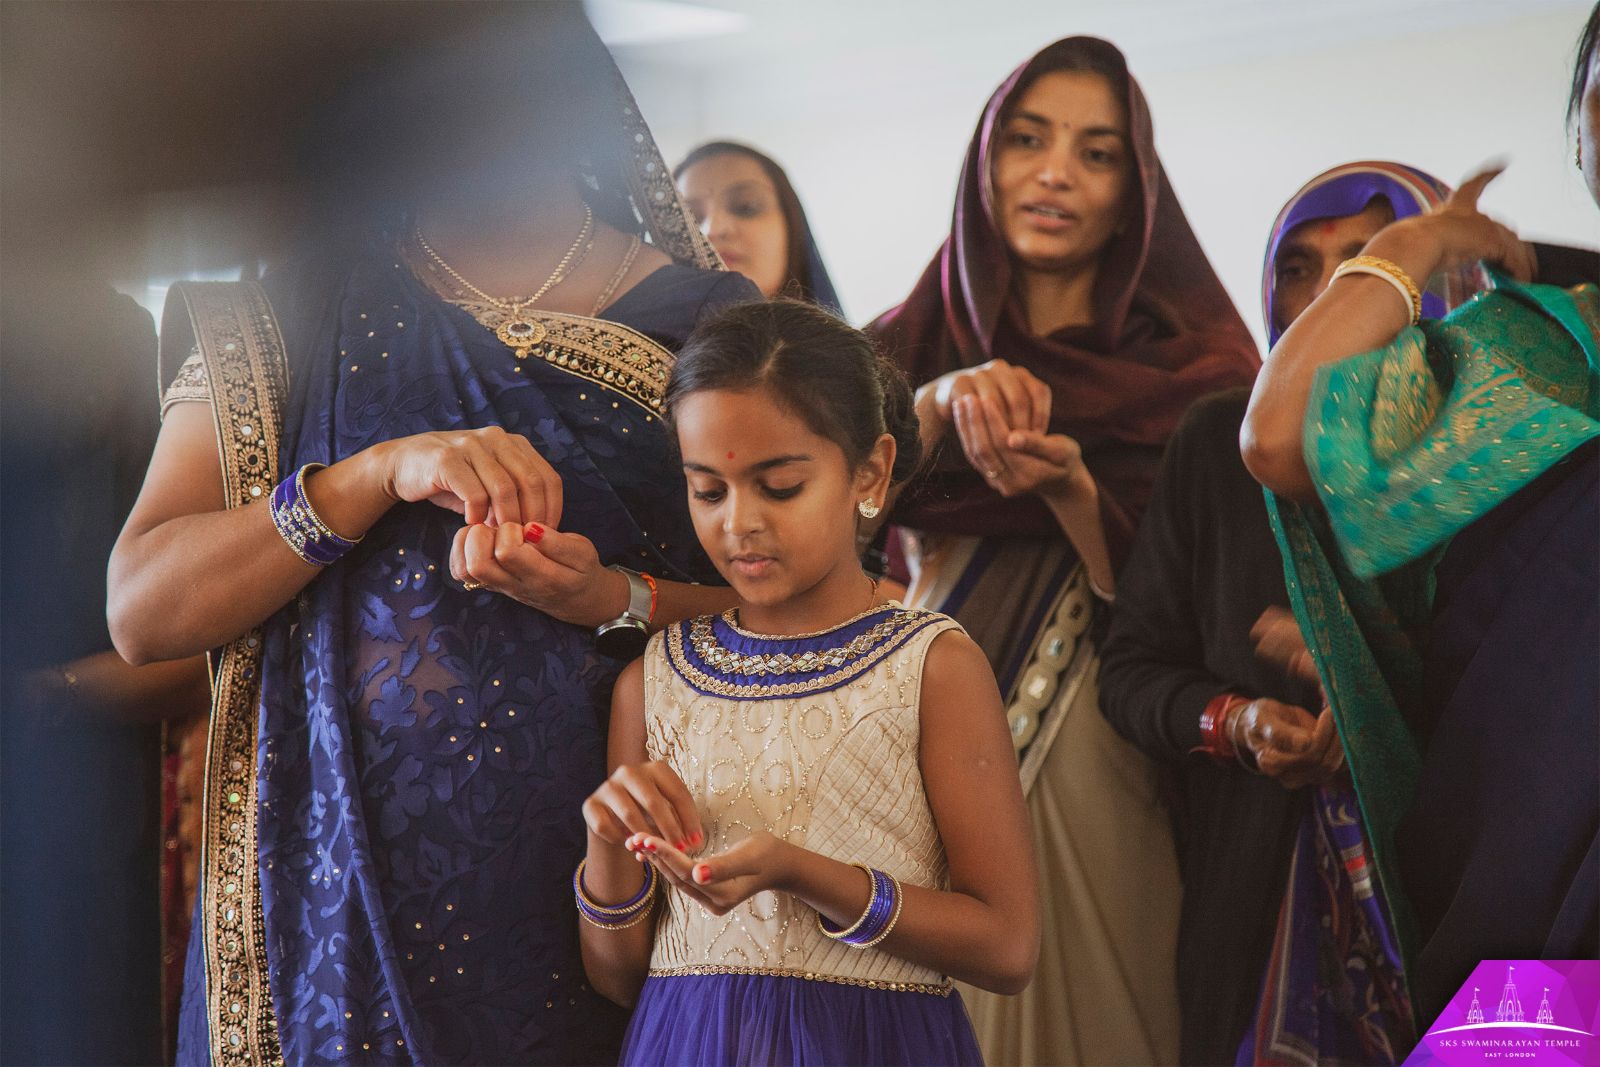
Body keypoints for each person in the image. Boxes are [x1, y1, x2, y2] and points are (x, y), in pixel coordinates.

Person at [107, 7, 756, 1063]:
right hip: (322, 919)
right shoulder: (297, 313)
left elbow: (797, 615)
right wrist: (370, 476)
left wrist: (614, 599)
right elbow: (141, 608)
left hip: (611, 891)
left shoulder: (705, 323)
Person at [868, 35, 1260, 1065]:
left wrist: (1076, 493)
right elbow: (803, 523)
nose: (1054, 174)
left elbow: (1208, 609)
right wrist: (934, 410)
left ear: (1137, 191)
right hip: (910, 724)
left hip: (1110, 736)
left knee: (1107, 998)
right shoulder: (894, 350)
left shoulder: (1202, 373)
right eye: (1028, 141)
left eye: (1096, 153)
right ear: (982, 161)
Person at [1241, 5, 1600, 1034]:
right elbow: (1282, 435)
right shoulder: (1532, 351)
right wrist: (1415, 240)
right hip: (1535, 918)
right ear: (1577, 134)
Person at [576, 299, 1038, 1065]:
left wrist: (806, 874)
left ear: (872, 471)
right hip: (687, 1043)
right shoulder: (651, 680)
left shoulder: (931, 665)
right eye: (708, 490)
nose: (739, 523)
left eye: (780, 485)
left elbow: (1008, 944)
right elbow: (619, 974)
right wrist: (607, 841)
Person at [1101, 160, 1474, 1066]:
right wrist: (1239, 720)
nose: (1329, 295)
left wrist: (1366, 683)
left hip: (1469, 890)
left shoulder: (1495, 441)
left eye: (1368, 262)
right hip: (1254, 894)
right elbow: (1132, 672)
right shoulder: (1218, 443)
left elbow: (1545, 696)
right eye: (1299, 269)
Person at [675, 141, 842, 312]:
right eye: (690, 219)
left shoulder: (857, 339)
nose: (711, 230)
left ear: (792, 227)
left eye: (746, 207)